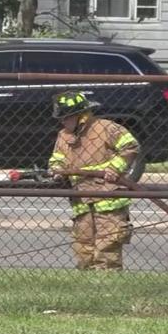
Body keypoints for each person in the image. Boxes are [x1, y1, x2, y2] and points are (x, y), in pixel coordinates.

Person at [47, 91, 140, 270]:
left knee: (108, 244)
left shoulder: (106, 128)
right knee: (83, 246)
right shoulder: (64, 135)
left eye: (66, 117)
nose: (62, 122)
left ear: (80, 116)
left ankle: (107, 282)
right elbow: (57, 158)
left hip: (108, 197)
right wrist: (56, 170)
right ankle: (87, 284)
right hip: (82, 198)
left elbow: (130, 146)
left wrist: (114, 168)